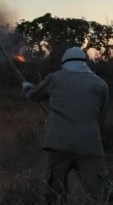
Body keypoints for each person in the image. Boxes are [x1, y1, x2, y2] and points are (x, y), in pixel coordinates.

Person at [22, 47, 111, 204]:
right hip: (89, 145)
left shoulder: (55, 78)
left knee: (56, 191)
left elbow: (35, 96)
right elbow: (101, 119)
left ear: (64, 63)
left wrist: (27, 87)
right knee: (101, 191)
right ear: (85, 63)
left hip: (59, 143)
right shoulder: (100, 84)